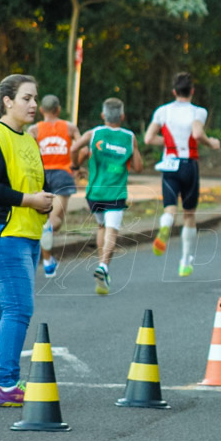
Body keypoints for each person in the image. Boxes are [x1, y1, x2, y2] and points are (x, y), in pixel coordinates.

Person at [0, 74, 54, 407]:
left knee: (2, 312)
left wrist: (46, 201)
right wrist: (29, 200)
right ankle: (5, 384)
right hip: (1, 235)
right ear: (7, 101)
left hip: (25, 234)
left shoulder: (29, 140)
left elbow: (38, 182)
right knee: (18, 309)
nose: (34, 105)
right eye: (27, 98)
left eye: (35, 98)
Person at [144, 72, 221, 277]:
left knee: (170, 208)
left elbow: (149, 138)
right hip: (189, 165)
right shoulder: (198, 112)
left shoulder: (162, 111)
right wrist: (210, 142)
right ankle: (185, 261)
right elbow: (196, 134)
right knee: (189, 214)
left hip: (169, 164)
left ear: (174, 91)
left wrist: (169, 144)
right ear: (192, 91)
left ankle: (165, 226)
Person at [70, 99, 142, 295]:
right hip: (116, 193)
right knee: (112, 230)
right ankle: (103, 266)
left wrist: (76, 167)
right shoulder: (129, 136)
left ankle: (103, 269)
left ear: (103, 116)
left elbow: (74, 149)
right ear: (122, 116)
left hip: (94, 193)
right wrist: (132, 150)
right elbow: (138, 167)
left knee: (102, 226)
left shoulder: (93, 134)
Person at [28, 95, 81, 278]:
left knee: (46, 222)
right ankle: (48, 249)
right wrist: (76, 165)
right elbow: (81, 148)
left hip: (41, 175)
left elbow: (28, 153)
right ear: (58, 109)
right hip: (62, 174)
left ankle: (48, 262)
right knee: (55, 219)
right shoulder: (70, 127)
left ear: (41, 110)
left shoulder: (34, 130)